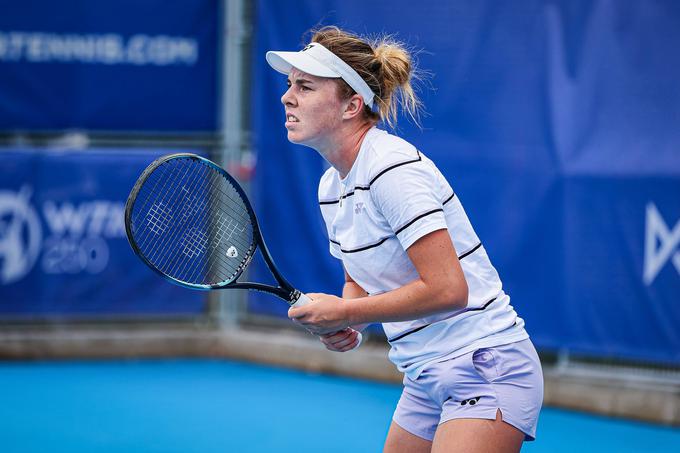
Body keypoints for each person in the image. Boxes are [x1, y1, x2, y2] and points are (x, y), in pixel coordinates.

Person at [266, 26, 543, 453]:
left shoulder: (392, 168)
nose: (288, 97)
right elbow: (360, 280)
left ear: (351, 106)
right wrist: (347, 323)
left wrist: (348, 310)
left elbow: (449, 289)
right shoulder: (330, 187)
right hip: (422, 376)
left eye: (305, 86)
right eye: (290, 85)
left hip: (484, 365)